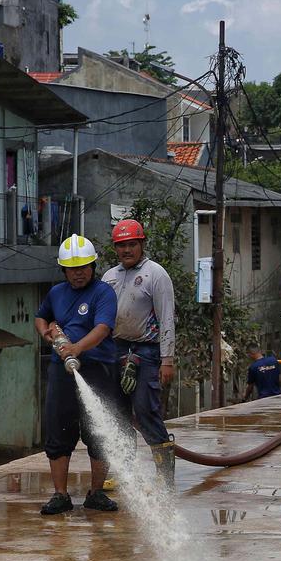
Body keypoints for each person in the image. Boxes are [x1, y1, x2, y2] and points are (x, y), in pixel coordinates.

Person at [35, 234, 121, 516]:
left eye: (83, 266)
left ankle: (96, 493)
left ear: (93, 265)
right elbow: (41, 317)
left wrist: (77, 348)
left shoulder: (103, 293)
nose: (79, 272)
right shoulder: (56, 293)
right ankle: (60, 495)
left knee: (99, 431)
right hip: (62, 373)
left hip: (97, 369)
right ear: (64, 270)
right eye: (72, 268)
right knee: (58, 429)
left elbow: (103, 328)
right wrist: (47, 334)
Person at [102, 218, 177, 485]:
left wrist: (167, 360)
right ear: (115, 249)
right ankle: (124, 471)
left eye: (132, 244)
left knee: (145, 409)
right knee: (119, 412)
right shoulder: (109, 276)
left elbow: (167, 318)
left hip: (147, 350)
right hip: (117, 349)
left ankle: (164, 472)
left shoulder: (156, 274)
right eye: (121, 246)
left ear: (142, 244)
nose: (127, 250)